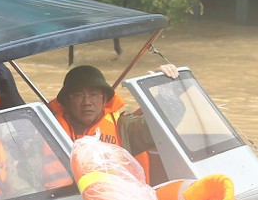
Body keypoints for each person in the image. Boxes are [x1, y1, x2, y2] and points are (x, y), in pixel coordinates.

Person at [47, 64, 179, 181]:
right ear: (66, 101)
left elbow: (171, 118)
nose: (87, 102)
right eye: (78, 95)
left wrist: (164, 87)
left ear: (105, 99)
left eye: (93, 94)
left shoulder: (123, 127)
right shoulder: (46, 130)